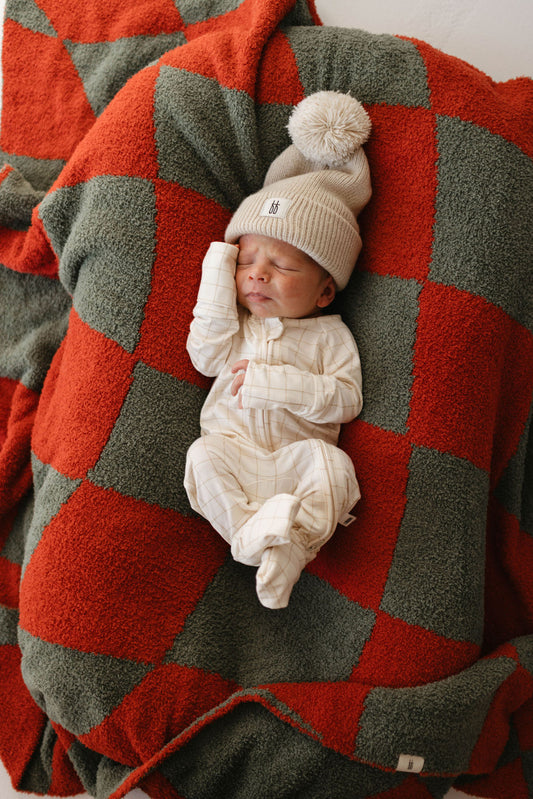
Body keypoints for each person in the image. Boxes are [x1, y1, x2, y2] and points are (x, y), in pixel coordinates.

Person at [184, 91, 372, 609]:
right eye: (247, 261)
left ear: (325, 290)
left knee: (335, 468)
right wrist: (217, 271)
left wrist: (276, 386)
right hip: (236, 455)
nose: (259, 274)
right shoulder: (236, 326)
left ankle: (292, 545)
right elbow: (204, 355)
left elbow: (346, 400)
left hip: (295, 462)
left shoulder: (330, 335)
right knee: (200, 457)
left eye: (284, 267)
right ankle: (252, 535)